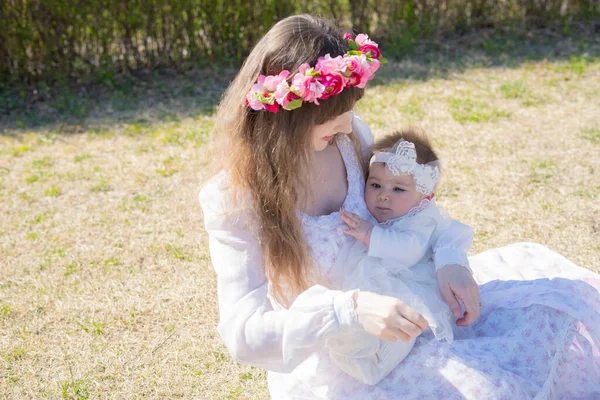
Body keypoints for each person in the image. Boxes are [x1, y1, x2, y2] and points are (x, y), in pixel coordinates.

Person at [199, 14, 600, 399]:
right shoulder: (235, 199)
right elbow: (244, 334)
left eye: (349, 110)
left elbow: (414, 214)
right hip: (354, 359)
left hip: (416, 299)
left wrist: (450, 261)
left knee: (555, 317)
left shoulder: (349, 136)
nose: (347, 123)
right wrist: (347, 309)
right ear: (288, 116)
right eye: (333, 116)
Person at [327, 129, 472, 385]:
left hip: (411, 289)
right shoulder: (382, 212)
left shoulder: (421, 219)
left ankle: (375, 363)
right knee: (365, 328)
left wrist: (371, 234)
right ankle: (352, 343)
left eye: (398, 188)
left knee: (404, 330)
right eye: (375, 185)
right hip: (379, 285)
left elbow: (409, 250)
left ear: (425, 198)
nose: (384, 195)